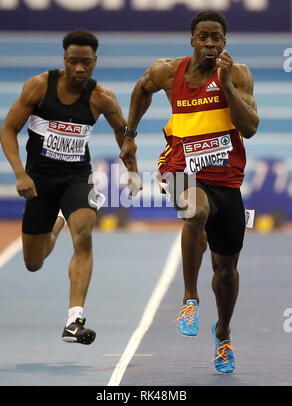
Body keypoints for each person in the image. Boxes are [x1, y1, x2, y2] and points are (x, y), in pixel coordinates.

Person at [120, 10, 259, 373]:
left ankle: (223, 333)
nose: (210, 43)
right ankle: (189, 298)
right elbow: (140, 89)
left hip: (226, 176)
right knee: (195, 212)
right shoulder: (168, 71)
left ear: (225, 41)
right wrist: (129, 136)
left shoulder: (239, 73)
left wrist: (226, 84)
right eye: (204, 36)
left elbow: (251, 128)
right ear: (192, 39)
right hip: (179, 166)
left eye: (217, 37)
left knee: (226, 271)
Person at [0, 29, 139, 345]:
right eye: (73, 61)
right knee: (33, 263)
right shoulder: (38, 87)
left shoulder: (102, 97)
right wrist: (20, 174)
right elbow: (7, 130)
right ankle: (56, 225)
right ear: (64, 59)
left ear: (94, 62)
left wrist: (132, 172)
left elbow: (123, 133)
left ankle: (74, 321)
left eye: (85, 63)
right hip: (39, 182)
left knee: (85, 234)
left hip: (78, 178)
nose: (79, 69)